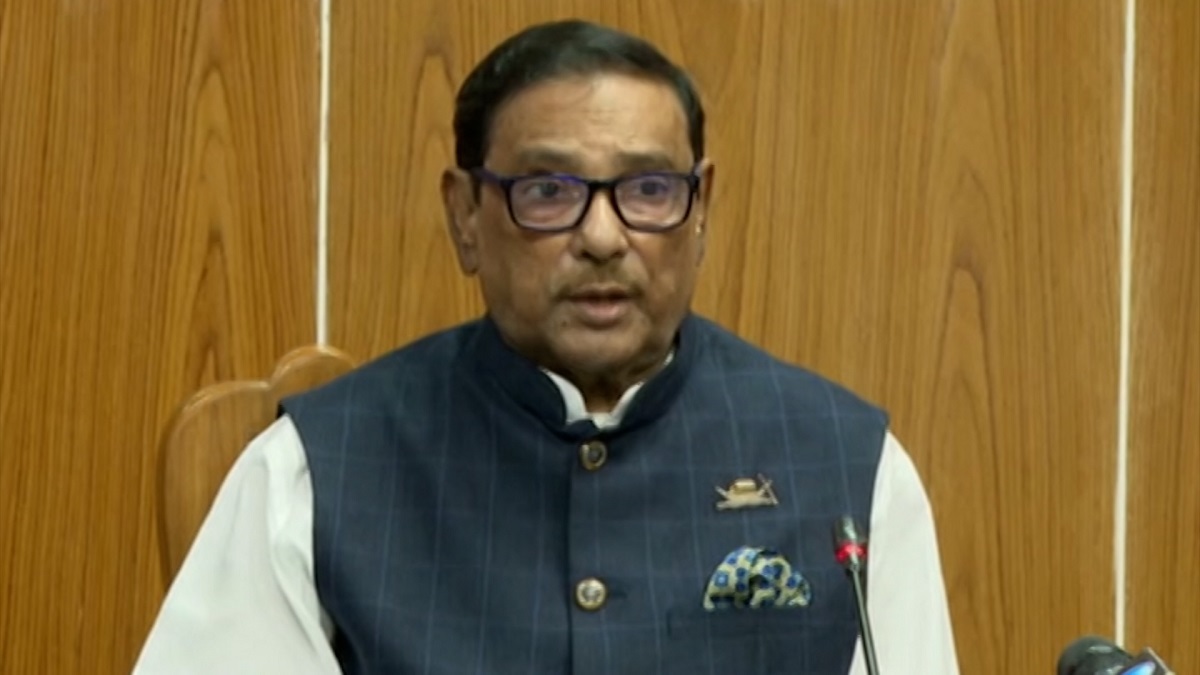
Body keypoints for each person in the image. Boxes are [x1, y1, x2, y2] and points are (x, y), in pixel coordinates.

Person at [134, 19, 959, 675]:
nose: (602, 236)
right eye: (549, 191)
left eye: (649, 189)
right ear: (465, 216)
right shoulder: (313, 471)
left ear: (701, 207)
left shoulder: (849, 467)